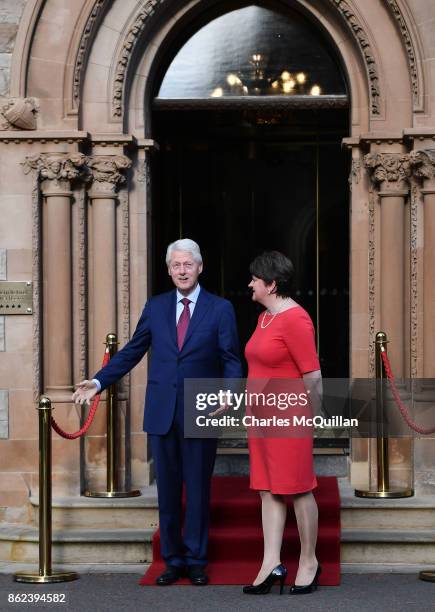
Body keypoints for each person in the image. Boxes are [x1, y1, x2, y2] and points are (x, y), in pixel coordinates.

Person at [72, 239, 242, 586]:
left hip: (202, 408)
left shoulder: (220, 308)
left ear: (200, 267)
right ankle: (172, 559)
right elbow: (132, 350)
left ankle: (196, 559)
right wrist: (98, 381)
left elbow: (231, 357)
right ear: (169, 270)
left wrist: (229, 390)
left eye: (188, 264)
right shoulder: (156, 306)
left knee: (196, 488)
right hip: (162, 409)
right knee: (167, 490)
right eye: (176, 265)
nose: (182, 270)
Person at [243, 251, 322, 595]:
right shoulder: (264, 319)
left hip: (288, 418)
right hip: (259, 418)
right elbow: (260, 370)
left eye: (255, 279)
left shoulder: (296, 319)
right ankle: (270, 563)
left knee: (298, 488)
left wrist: (308, 416)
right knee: (267, 489)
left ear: (271, 284)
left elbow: (314, 376)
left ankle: (309, 561)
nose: (250, 284)